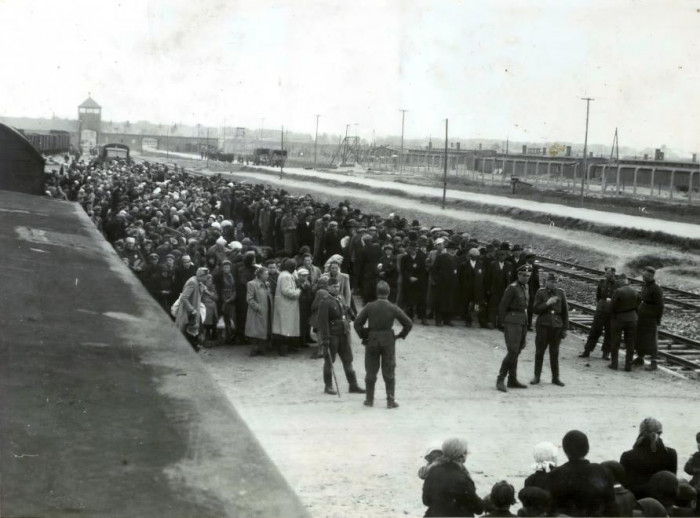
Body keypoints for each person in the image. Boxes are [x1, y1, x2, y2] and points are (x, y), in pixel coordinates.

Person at [353, 281, 413, 409]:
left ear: (377, 292)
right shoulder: (393, 307)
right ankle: (390, 400)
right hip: (388, 341)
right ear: (389, 292)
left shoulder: (369, 306)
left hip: (372, 340)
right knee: (389, 371)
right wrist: (400, 335)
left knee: (370, 371)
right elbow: (409, 323)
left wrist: (364, 335)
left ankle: (369, 400)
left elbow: (357, 323)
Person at [548, 430, 616, 517]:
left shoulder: (555, 475)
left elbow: (552, 509)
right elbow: (611, 505)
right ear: (587, 448)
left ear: (565, 450)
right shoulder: (602, 471)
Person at [316, 277, 365, 395]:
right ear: (328, 287)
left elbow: (345, 312)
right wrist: (325, 338)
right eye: (334, 286)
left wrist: (349, 314)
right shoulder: (325, 301)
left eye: (338, 286)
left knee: (348, 359)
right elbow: (322, 322)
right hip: (332, 335)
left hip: (344, 333)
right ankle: (328, 386)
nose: (336, 288)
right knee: (329, 361)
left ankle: (353, 385)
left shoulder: (341, 297)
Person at [422, 438, 484, 517]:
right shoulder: (462, 479)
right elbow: (478, 509)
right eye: (466, 452)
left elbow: (426, 501)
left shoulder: (433, 471)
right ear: (461, 455)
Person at [620, 417, 678, 499]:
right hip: (664, 503)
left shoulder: (628, 456)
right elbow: (672, 483)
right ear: (660, 432)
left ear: (640, 432)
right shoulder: (671, 454)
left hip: (638, 504)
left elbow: (626, 487)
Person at [496, 264, 531, 392]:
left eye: (528, 275)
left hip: (522, 322)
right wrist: (500, 323)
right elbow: (503, 306)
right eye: (523, 275)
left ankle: (512, 379)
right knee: (513, 351)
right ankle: (500, 379)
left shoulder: (526, 287)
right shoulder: (512, 288)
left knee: (518, 350)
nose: (526, 278)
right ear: (518, 275)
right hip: (512, 321)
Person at [530, 272, 568, 386]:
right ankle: (537, 377)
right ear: (545, 282)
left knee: (554, 353)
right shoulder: (540, 292)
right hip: (543, 326)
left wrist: (565, 329)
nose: (553, 284)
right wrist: (547, 303)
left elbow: (565, 312)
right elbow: (535, 310)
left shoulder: (561, 293)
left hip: (556, 326)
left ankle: (555, 378)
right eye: (550, 281)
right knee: (539, 352)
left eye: (554, 282)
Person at [579, 267, 617, 359]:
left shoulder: (618, 284)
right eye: (605, 273)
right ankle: (587, 350)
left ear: (613, 274)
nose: (606, 275)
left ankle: (606, 353)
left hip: (611, 311)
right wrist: (601, 304)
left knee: (609, 332)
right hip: (601, 309)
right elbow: (598, 296)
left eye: (608, 273)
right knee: (595, 330)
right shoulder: (602, 283)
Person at [634, 266, 664, 371]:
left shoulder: (656, 288)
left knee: (651, 340)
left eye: (644, 275)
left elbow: (660, 306)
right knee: (640, 336)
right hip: (642, 316)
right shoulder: (645, 285)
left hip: (651, 317)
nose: (642, 277)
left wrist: (658, 319)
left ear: (650, 276)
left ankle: (654, 362)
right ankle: (640, 357)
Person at [609, 273, 640, 371]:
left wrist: (613, 315)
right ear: (627, 281)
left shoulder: (618, 291)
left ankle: (614, 364)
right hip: (632, 319)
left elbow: (612, 306)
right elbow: (639, 304)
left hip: (619, 319)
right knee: (630, 343)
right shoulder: (635, 291)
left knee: (615, 341)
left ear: (620, 281)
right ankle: (628, 365)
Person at [272, 258, 301, 356]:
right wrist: (297, 292)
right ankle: (283, 349)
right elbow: (286, 291)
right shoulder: (286, 276)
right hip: (286, 305)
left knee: (284, 327)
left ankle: (286, 347)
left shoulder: (284, 274)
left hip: (285, 305)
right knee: (285, 328)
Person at [245, 266, 273, 356]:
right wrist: (258, 307)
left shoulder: (267, 284)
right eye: (266, 274)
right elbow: (249, 299)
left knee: (264, 329)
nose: (267, 276)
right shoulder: (252, 284)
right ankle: (254, 349)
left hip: (266, 310)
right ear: (260, 275)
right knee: (256, 330)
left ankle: (262, 348)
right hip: (257, 312)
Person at [399, 240, 428, 325]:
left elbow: (423, 271)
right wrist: (409, 277)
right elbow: (402, 270)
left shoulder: (421, 258)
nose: (413, 250)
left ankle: (423, 317)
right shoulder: (404, 258)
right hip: (408, 282)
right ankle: (409, 317)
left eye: (415, 249)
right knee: (409, 300)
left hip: (419, 283)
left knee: (422, 300)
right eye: (412, 249)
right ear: (409, 249)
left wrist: (417, 278)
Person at [683, 432, 700, 499]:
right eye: (698, 442)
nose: (699, 445)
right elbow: (687, 469)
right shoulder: (696, 455)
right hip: (695, 485)